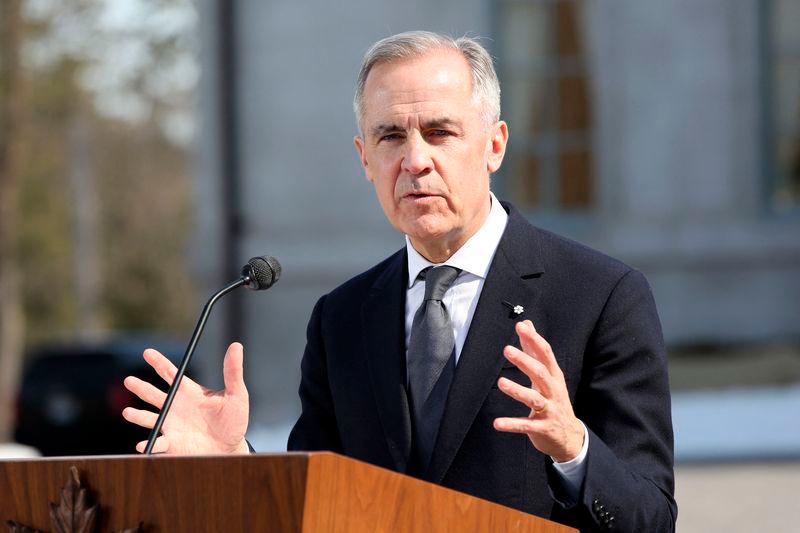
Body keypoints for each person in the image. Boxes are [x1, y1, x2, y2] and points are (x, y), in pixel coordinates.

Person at [123, 31, 677, 532]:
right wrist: (235, 465)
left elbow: (650, 519)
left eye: (440, 132)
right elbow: (314, 508)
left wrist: (573, 449)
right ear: (365, 158)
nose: (415, 161)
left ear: (494, 145)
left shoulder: (601, 296)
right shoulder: (341, 317)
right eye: (390, 137)